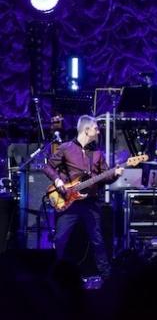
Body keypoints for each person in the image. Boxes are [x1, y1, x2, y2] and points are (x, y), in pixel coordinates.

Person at [43, 115, 124, 279]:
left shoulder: (97, 155)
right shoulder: (66, 148)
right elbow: (48, 167)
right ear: (86, 130)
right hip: (69, 203)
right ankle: (55, 275)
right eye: (95, 128)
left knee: (98, 241)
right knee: (60, 239)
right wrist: (58, 180)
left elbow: (105, 178)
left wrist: (115, 174)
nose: (98, 131)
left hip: (90, 204)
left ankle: (107, 277)